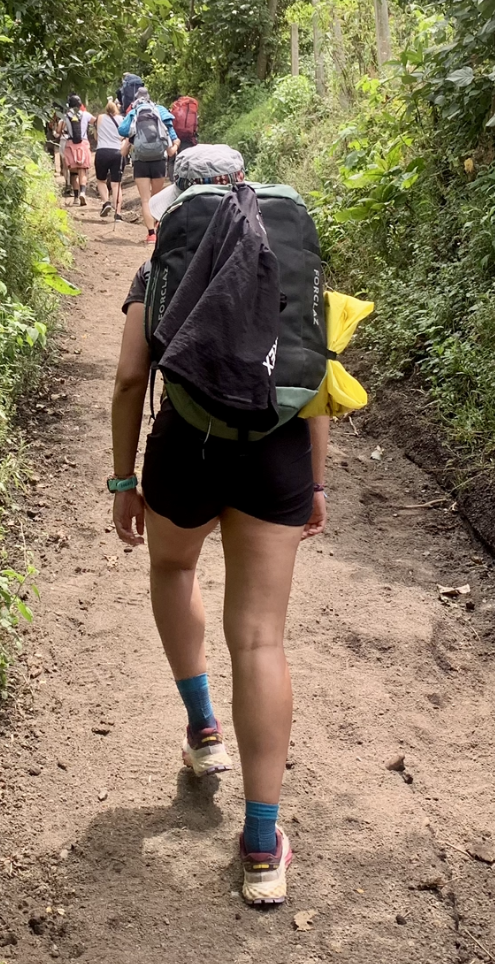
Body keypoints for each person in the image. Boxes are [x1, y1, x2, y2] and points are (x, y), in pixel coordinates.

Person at [109, 148, 330, 907]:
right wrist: (317, 481)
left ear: (182, 206)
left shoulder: (161, 264)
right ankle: (263, 844)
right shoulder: (287, 248)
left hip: (189, 448)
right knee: (262, 638)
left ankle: (204, 734)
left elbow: (133, 378)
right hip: (278, 455)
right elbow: (316, 375)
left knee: (173, 569)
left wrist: (122, 480)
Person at [117, 87, 178, 242]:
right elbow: (171, 135)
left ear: (136, 99)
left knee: (145, 200)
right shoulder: (160, 110)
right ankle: (159, 230)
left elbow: (122, 130)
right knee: (157, 197)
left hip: (140, 161)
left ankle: (151, 234)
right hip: (159, 159)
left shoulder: (134, 112)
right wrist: (175, 144)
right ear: (150, 98)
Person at [60, 93, 94, 206]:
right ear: (80, 105)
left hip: (70, 144)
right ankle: (83, 193)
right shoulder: (86, 115)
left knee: (73, 173)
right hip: (83, 144)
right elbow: (96, 121)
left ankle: (75, 198)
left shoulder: (65, 116)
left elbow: (60, 130)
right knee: (82, 170)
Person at [94, 99, 124, 220]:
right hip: (117, 151)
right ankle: (118, 213)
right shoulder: (122, 120)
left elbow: (96, 135)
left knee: (101, 180)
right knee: (116, 184)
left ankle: (106, 202)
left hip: (102, 151)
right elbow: (123, 136)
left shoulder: (100, 117)